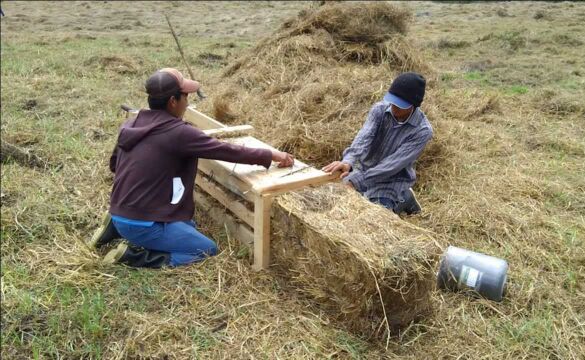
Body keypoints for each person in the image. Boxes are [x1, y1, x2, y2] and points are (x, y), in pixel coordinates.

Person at [89, 68, 294, 268]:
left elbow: (114, 165)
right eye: (186, 96)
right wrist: (272, 155)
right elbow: (229, 151)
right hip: (142, 222)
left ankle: (115, 227)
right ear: (173, 101)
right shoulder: (179, 133)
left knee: (189, 226)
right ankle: (133, 257)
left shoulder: (131, 124)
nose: (187, 102)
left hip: (119, 208)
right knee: (205, 249)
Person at [322, 72, 432, 215]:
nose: (394, 107)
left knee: (373, 215)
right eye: (393, 101)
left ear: (414, 105)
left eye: (400, 105)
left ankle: (403, 199)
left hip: (391, 180)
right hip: (363, 169)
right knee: (337, 204)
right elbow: (364, 137)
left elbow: (392, 165)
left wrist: (356, 181)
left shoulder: (422, 131)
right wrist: (348, 161)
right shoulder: (379, 110)